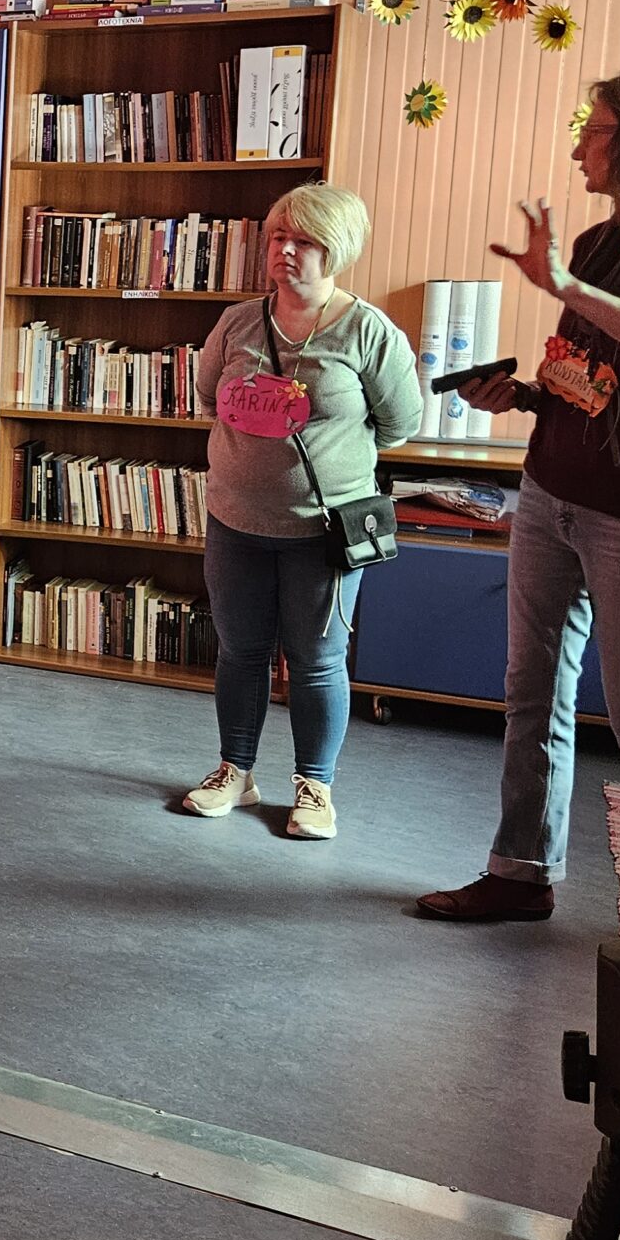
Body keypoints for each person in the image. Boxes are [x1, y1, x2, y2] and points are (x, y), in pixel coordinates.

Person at [419, 62, 620, 922]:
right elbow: (593, 378)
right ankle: (520, 873)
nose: (578, 150)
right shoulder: (604, 241)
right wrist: (523, 397)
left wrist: (566, 286)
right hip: (550, 490)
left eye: (593, 132)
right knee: (532, 694)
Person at [184, 184, 421, 840]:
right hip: (235, 521)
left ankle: (315, 788)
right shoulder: (237, 323)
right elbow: (208, 396)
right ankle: (235, 772)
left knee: (316, 661)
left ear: (335, 249)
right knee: (240, 651)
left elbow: (399, 424)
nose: (285, 250)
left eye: (304, 240)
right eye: (277, 237)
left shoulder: (367, 331)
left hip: (322, 531)